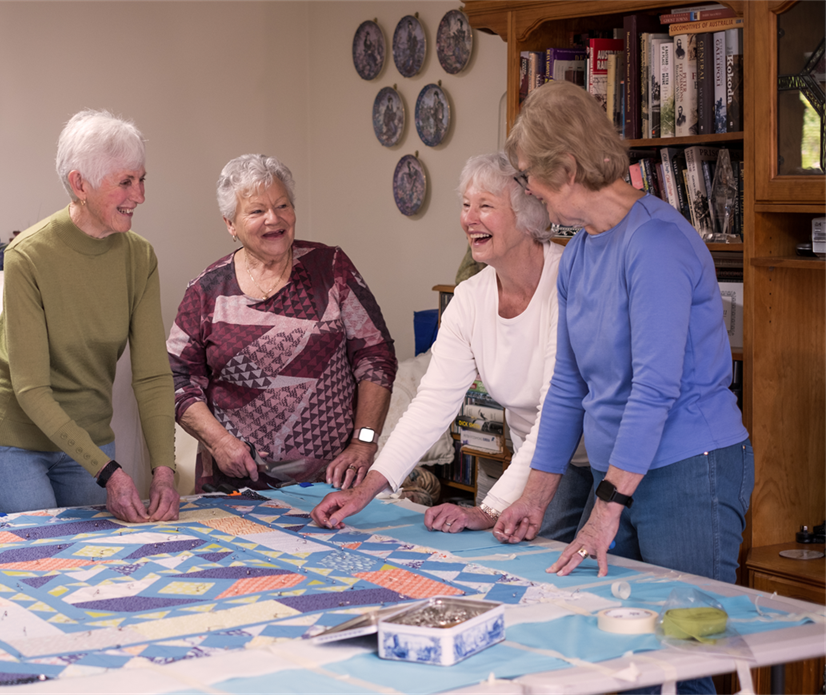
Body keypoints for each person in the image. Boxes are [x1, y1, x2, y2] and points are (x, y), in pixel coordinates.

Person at [496, 81, 751, 695]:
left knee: (684, 662)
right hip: (623, 475)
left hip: (690, 471)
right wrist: (535, 495)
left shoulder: (657, 243)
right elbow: (568, 385)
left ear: (568, 168)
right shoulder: (579, 253)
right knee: (613, 659)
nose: (526, 188)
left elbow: (655, 388)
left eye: (531, 174)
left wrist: (607, 507)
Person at [312, 153, 591, 536]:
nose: (468, 218)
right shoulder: (468, 299)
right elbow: (431, 405)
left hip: (603, 457)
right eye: (465, 205)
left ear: (527, 214)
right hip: (541, 464)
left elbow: (556, 411)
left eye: (485, 206)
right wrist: (366, 492)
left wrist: (490, 508)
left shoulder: (568, 279)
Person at [0, 109, 178, 524]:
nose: (140, 196)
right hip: (9, 442)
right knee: (43, 557)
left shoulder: (140, 257)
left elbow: (152, 376)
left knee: (109, 559)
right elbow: (31, 389)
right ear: (80, 184)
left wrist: (164, 472)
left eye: (142, 179)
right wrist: (110, 474)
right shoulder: (28, 256)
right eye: (125, 183)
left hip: (89, 443)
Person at [167, 154, 396, 493]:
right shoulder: (207, 291)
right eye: (257, 211)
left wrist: (364, 443)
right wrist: (219, 443)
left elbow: (376, 356)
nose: (274, 219)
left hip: (333, 484)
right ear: (231, 224)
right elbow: (177, 377)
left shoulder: (330, 268)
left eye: (282, 206)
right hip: (236, 486)